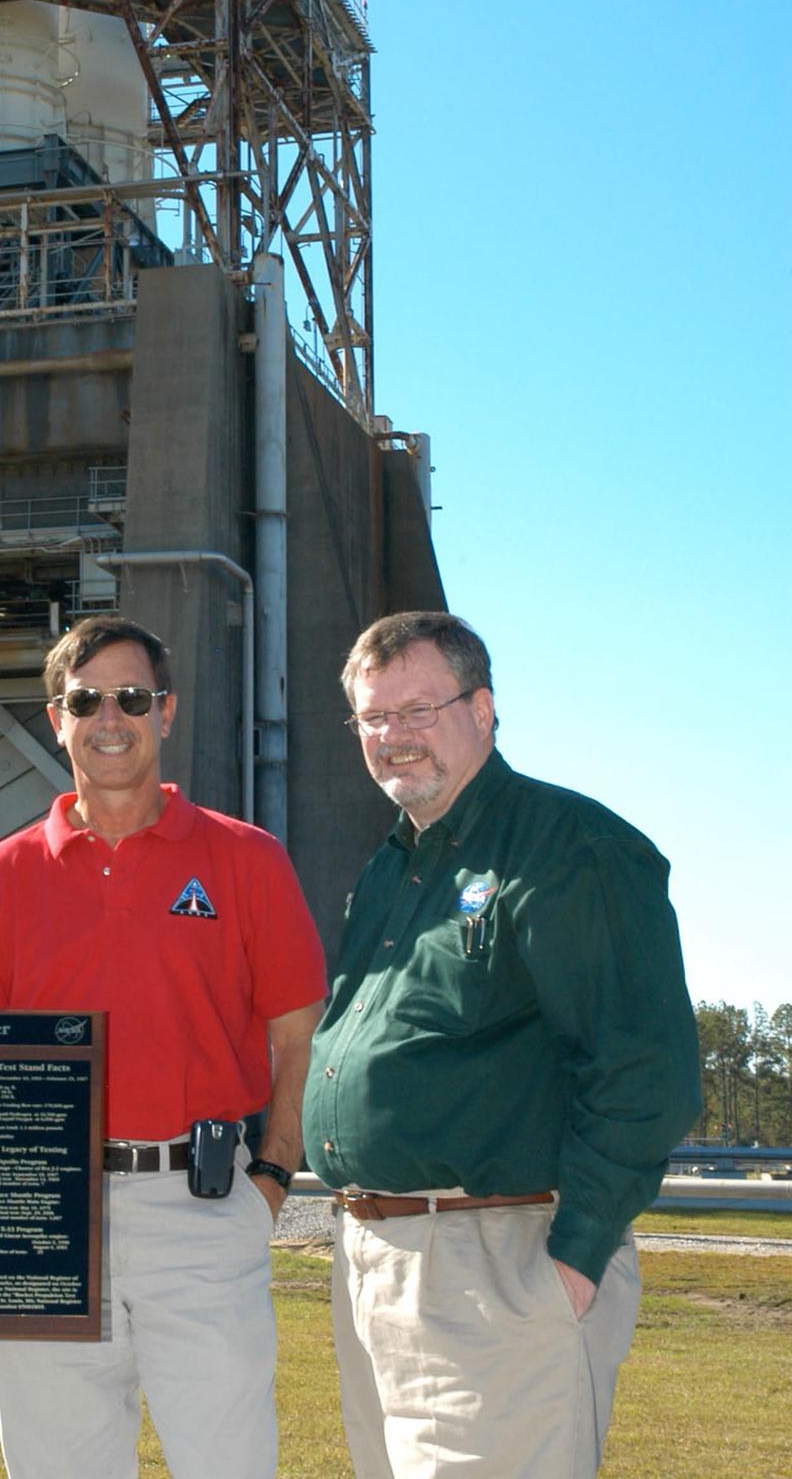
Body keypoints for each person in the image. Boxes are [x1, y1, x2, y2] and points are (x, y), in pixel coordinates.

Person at [303, 611, 700, 1479]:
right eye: (373, 717)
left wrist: (574, 1259)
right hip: (376, 1257)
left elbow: (644, 1069)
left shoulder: (568, 846)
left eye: (418, 710)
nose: (394, 736)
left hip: (497, 1258)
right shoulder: (392, 867)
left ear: (482, 709)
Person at [0, 613, 327, 1479]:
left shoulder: (247, 860)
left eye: (131, 697)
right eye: (86, 701)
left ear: (167, 710)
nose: (109, 718)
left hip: (199, 1203)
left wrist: (272, 1177)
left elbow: (299, 1033)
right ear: (57, 719)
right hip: (39, 1216)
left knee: (228, 1464)